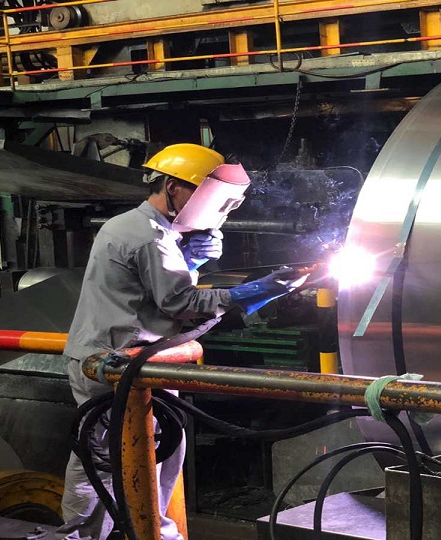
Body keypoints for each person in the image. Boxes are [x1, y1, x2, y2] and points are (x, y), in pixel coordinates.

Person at [57, 143, 302, 540]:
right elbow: (180, 302)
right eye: (211, 199)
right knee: (103, 459)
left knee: (158, 450)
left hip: (141, 362)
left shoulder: (147, 230)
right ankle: (85, 536)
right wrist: (252, 292)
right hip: (112, 365)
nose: (218, 210)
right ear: (173, 187)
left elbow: (147, 291)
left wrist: (190, 261)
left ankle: (151, 531)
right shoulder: (147, 236)